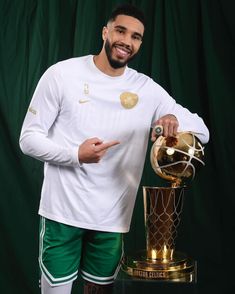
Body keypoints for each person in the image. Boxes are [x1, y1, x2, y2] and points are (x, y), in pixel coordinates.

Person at [19, 3, 209, 294]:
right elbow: (28, 138)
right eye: (121, 31)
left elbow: (202, 131)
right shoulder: (62, 74)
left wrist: (172, 121)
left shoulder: (147, 89)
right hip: (62, 214)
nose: (127, 41)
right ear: (105, 32)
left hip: (111, 219)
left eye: (136, 36)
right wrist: (75, 155)